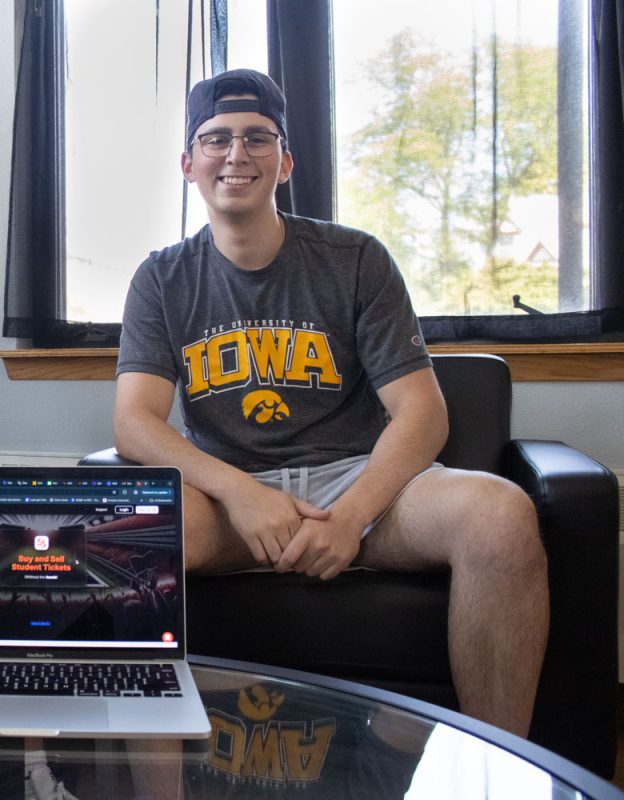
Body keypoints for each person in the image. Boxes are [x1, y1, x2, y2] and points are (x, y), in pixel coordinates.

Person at [113, 68, 548, 736]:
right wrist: (239, 492)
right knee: (124, 539)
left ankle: (500, 771)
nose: (236, 155)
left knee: (500, 516)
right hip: (233, 501)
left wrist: (350, 517)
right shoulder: (161, 278)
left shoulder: (355, 260)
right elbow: (135, 423)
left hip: (356, 482)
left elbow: (423, 412)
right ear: (188, 163)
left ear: (286, 162)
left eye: (258, 139)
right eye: (217, 138)